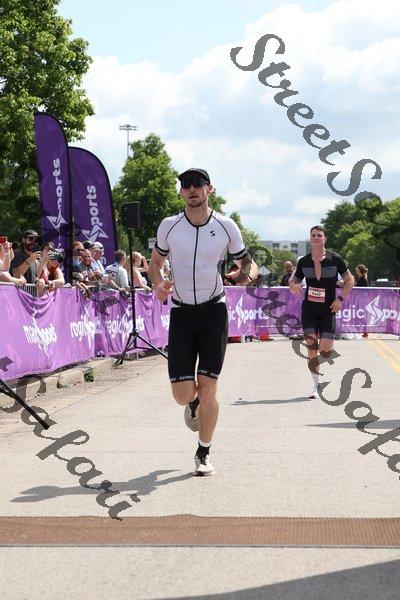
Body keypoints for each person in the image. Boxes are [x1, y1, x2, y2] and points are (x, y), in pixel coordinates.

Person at [149, 167, 258, 476]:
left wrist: (246, 276)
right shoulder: (169, 226)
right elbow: (156, 263)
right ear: (181, 192)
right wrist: (157, 282)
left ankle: (203, 451)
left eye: (197, 184)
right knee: (182, 394)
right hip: (182, 313)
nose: (191, 189)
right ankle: (192, 402)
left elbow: (247, 261)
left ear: (209, 188)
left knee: (209, 387)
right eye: (186, 185)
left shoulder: (226, 225)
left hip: (213, 312)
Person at [289, 224, 354, 399]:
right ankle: (316, 386)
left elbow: (350, 281)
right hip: (309, 309)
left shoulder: (335, 259)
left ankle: (320, 367)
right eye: (313, 235)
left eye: (319, 235)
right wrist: (293, 285)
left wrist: (340, 299)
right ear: (310, 239)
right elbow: (293, 281)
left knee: (325, 352)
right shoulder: (303, 261)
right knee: (312, 348)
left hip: (328, 310)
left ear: (325, 239)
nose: (316, 237)